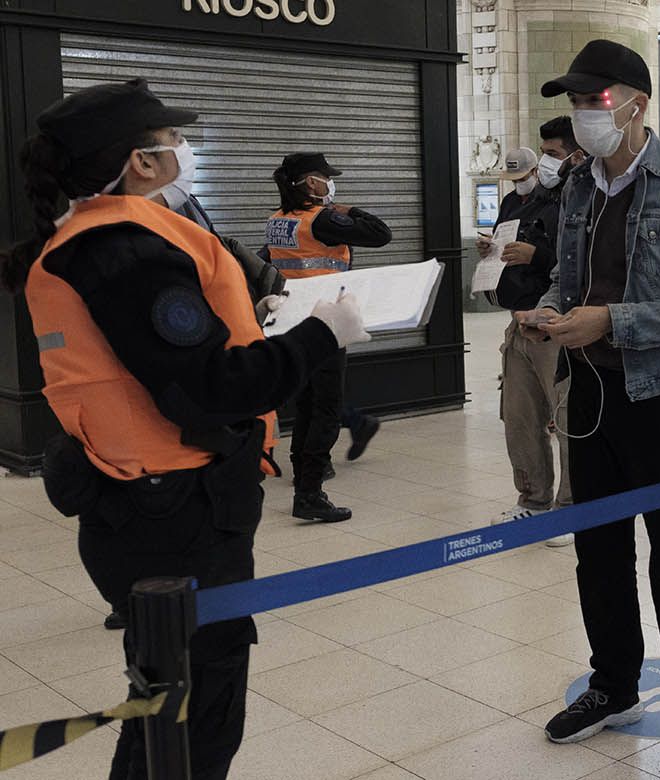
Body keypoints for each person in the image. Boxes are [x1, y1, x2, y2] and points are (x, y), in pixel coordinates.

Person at [1, 79, 368, 780]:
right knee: (196, 713)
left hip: (144, 506)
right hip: (176, 517)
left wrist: (249, 324)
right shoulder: (124, 249)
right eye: (171, 138)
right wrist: (321, 336)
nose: (182, 149)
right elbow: (208, 391)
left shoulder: (91, 239)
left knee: (163, 702)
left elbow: (157, 365)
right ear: (141, 160)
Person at [516, 40, 660, 780]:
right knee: (598, 549)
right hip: (590, 395)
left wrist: (613, 322)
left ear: (637, 103)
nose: (583, 115)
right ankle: (612, 683)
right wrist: (547, 311)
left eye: (596, 100)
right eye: (574, 102)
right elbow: (566, 279)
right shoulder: (579, 189)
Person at [266, 152, 392, 522]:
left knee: (306, 401)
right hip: (325, 322)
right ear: (311, 182)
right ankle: (310, 491)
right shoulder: (322, 220)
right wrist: (350, 211)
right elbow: (381, 234)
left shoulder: (278, 220)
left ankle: (303, 473)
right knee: (326, 405)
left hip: (292, 320)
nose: (330, 183)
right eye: (325, 177)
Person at [481, 139, 574, 547]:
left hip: (552, 325)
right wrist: (491, 249)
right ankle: (533, 498)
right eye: (512, 178)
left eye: (524, 176)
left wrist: (535, 255)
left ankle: (571, 508)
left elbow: (571, 262)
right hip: (516, 323)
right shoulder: (510, 206)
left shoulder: (565, 205)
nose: (519, 184)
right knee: (518, 417)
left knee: (569, 421)